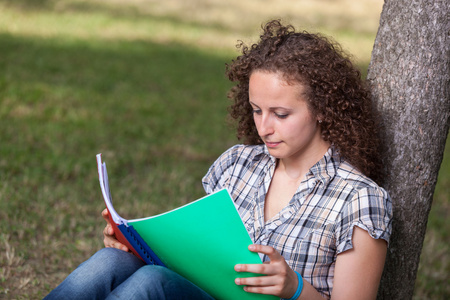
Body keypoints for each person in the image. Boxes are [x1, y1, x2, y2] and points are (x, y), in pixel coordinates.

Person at [44, 19, 392, 300]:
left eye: (281, 114)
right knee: (111, 261)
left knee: (151, 283)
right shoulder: (238, 164)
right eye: (257, 110)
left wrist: (295, 288)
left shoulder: (359, 199)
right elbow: (195, 258)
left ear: (322, 111)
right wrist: (139, 244)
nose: (264, 127)